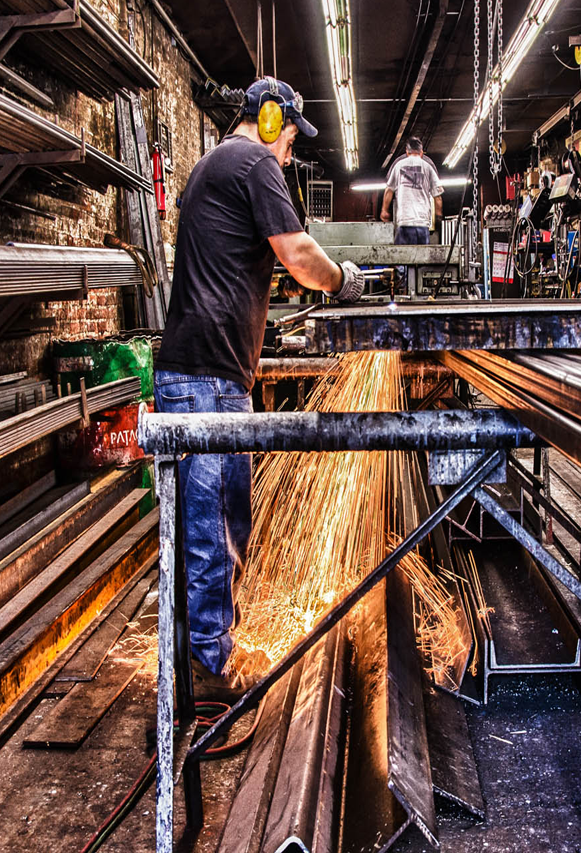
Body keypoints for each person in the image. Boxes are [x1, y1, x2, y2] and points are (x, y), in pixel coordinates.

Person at [153, 77, 364, 700]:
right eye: (292, 137)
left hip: (210, 375)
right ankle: (209, 671)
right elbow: (298, 253)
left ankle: (204, 651)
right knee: (211, 528)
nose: (291, 152)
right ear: (270, 120)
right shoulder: (251, 161)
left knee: (220, 521)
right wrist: (344, 282)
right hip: (203, 382)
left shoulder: (215, 165)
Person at [380, 137, 444, 244]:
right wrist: (438, 215)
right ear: (421, 152)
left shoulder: (398, 165)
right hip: (422, 223)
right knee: (423, 258)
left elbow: (389, 190)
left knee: (403, 258)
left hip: (405, 221)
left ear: (407, 151)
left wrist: (384, 210)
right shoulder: (428, 167)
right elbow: (438, 197)